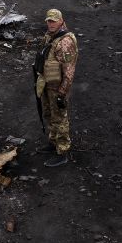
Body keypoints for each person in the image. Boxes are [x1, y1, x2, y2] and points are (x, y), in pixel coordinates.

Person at [33, 9, 78, 167]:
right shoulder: (49, 36)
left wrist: (62, 92)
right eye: (48, 21)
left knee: (60, 118)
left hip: (57, 88)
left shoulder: (65, 42)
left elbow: (69, 71)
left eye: (53, 21)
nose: (50, 24)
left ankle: (63, 151)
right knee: (48, 114)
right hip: (46, 84)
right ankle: (53, 142)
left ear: (61, 21)